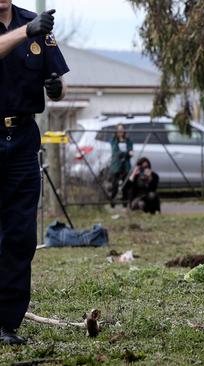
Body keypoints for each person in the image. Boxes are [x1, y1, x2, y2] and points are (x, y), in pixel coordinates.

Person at [0, 1, 68, 344]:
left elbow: (55, 78)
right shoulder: (29, 27)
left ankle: (6, 325)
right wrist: (26, 32)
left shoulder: (35, 22)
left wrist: (56, 90)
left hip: (24, 137)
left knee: (20, 234)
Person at [109, 123, 133, 207]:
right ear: (116, 131)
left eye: (122, 129)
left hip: (126, 165)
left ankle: (125, 204)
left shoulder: (128, 140)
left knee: (125, 185)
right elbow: (116, 152)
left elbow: (131, 151)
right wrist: (126, 153)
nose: (120, 131)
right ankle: (112, 203)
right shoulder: (113, 140)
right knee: (115, 185)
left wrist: (127, 154)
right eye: (119, 129)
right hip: (116, 165)